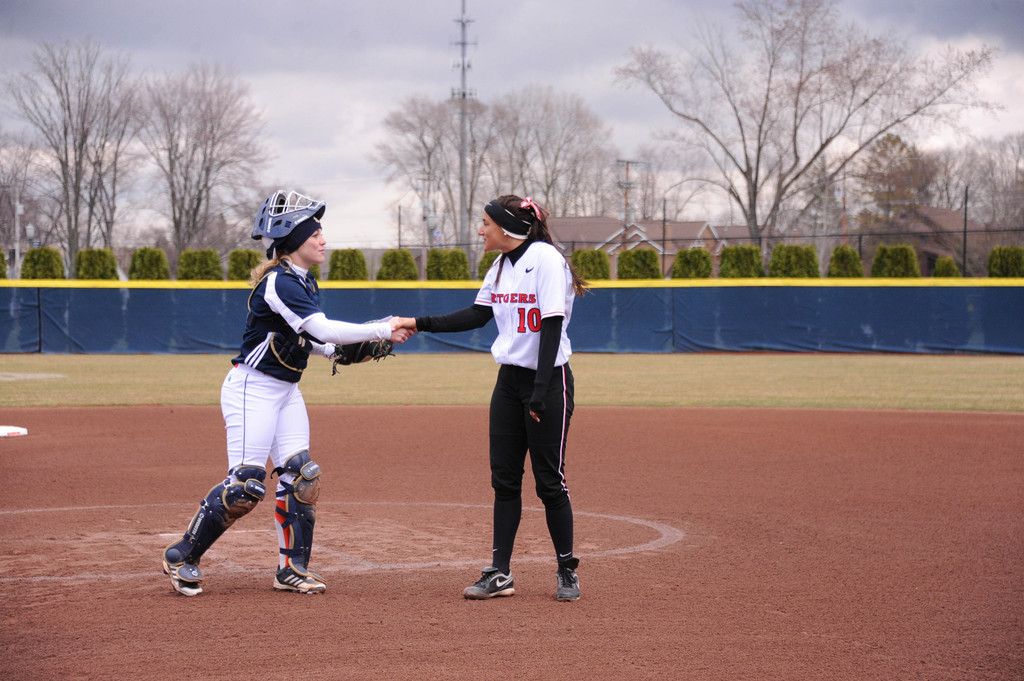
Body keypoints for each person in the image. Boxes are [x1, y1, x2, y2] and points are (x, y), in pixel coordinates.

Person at [161, 190, 412, 596]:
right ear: (295, 239)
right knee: (245, 487)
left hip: (286, 391)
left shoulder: (303, 281)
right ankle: (182, 555)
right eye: (316, 233)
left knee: (302, 478)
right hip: (252, 389)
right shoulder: (280, 282)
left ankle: (291, 569)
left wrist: (334, 351)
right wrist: (383, 326)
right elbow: (323, 328)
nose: (323, 240)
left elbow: (311, 338)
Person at [396, 194, 589, 601]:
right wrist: (418, 323)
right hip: (508, 383)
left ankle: (566, 569)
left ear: (507, 228)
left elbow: (552, 324)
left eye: (485, 223)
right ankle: (500, 572)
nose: (481, 230)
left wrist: (539, 392)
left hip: (548, 380)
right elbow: (476, 315)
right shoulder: (500, 266)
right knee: (504, 480)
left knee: (549, 481)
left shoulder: (546, 259)